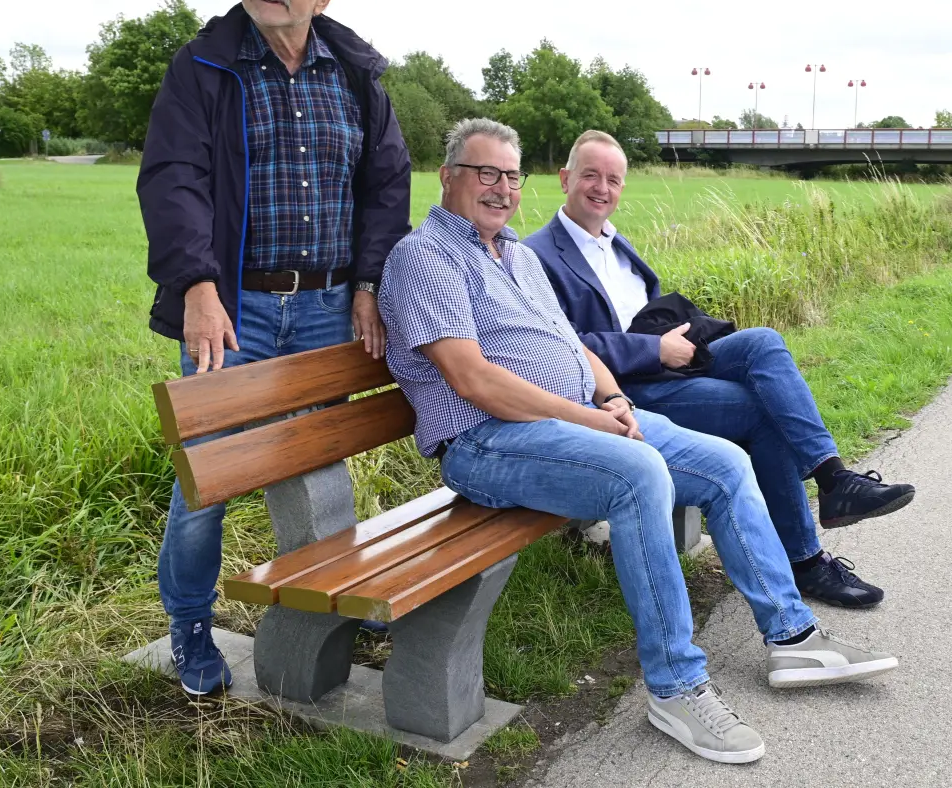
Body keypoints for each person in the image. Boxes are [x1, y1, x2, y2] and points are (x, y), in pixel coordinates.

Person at [379, 118, 897, 765]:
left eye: (512, 175)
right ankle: (676, 688)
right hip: (487, 441)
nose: (501, 188)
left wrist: (612, 397)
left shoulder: (516, 254)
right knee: (640, 475)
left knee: (725, 462)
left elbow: (571, 345)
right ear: (449, 176)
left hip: (574, 418)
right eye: (486, 173)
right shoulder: (427, 256)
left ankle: (793, 637)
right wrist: (592, 421)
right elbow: (473, 379)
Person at [136, 0, 413, 696]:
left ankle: (335, 603)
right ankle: (190, 625)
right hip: (234, 311)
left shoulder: (355, 77)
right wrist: (198, 286)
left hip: (328, 304)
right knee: (208, 480)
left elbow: (387, 187)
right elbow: (172, 179)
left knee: (321, 459)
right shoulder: (204, 68)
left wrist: (369, 283)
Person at [524, 131, 916, 609]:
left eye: (614, 179)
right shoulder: (538, 255)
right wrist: (653, 350)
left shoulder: (614, 243)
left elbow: (639, 308)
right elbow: (563, 345)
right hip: (622, 391)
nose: (602, 187)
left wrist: (673, 338)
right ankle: (806, 562)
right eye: (590, 175)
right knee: (762, 413)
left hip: (665, 365)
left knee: (763, 342)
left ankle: (834, 478)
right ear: (565, 178)